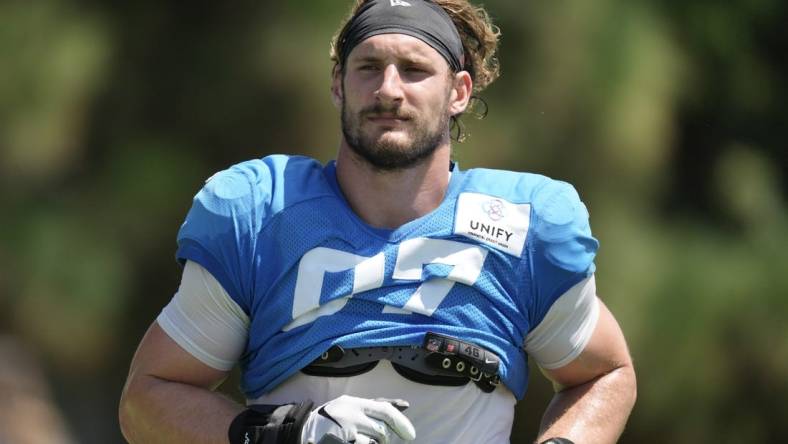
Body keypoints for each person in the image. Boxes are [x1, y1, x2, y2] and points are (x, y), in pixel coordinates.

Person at [119, 0, 637, 443]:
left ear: (458, 91)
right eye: (368, 67)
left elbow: (606, 373)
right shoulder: (262, 215)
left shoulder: (521, 226)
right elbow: (149, 397)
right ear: (339, 85)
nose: (389, 89)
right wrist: (285, 431)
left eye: (414, 70)